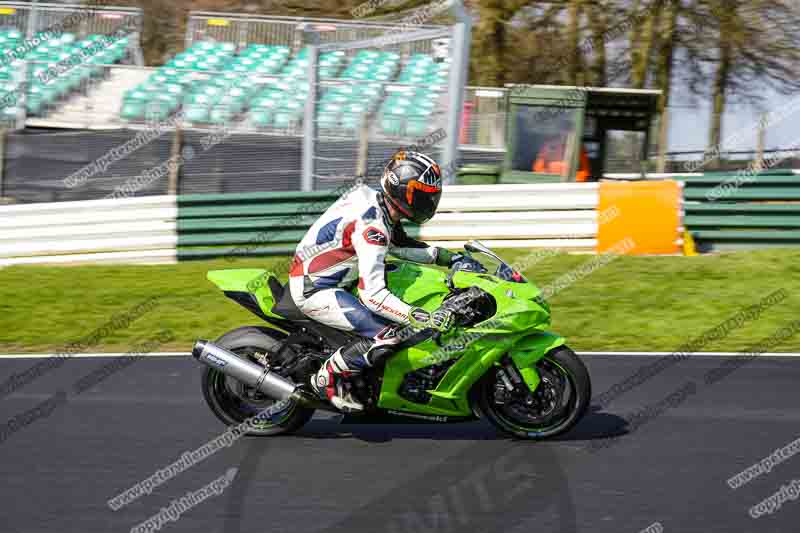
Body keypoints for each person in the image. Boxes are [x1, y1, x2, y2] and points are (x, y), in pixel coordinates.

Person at [289, 151, 469, 412]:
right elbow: (372, 295)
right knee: (385, 337)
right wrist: (420, 316)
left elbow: (398, 244)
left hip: (332, 276)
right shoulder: (372, 227)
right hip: (316, 288)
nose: (429, 201)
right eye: (423, 195)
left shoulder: (375, 203)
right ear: (403, 191)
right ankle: (326, 378)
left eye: (432, 195)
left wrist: (446, 257)